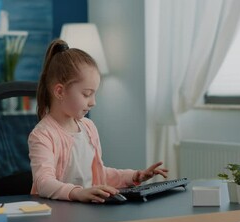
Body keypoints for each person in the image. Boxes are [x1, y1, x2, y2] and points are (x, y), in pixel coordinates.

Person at [28, 39, 168, 203]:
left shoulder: (88, 128)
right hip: (58, 217)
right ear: (60, 92)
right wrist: (77, 193)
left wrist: (134, 176)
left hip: (88, 212)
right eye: (87, 94)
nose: (93, 102)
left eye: (94, 94)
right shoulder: (42, 135)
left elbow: (99, 175)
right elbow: (44, 183)